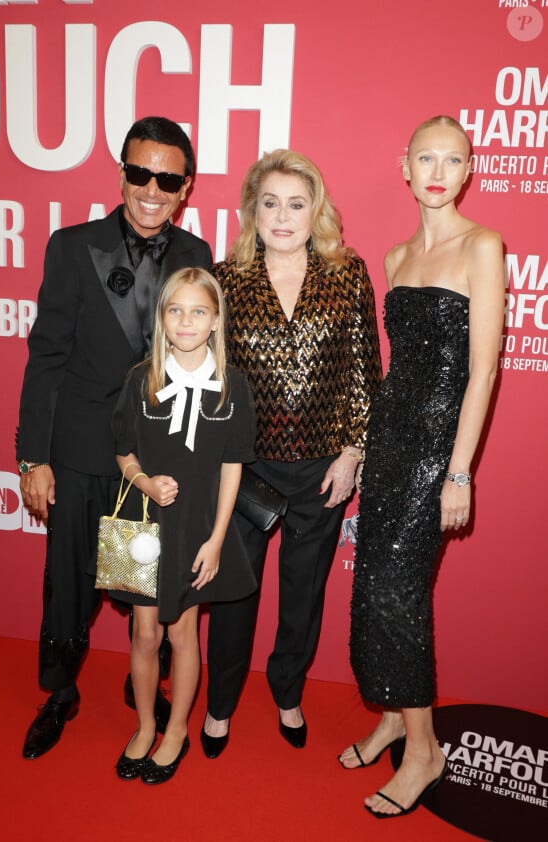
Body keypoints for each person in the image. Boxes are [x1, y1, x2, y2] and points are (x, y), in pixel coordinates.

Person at [17, 116, 212, 759]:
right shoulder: (72, 245)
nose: (151, 189)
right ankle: (58, 690)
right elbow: (45, 355)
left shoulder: (195, 257)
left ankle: (144, 683)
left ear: (185, 187)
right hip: (76, 449)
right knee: (68, 580)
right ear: (121, 172)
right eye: (139, 172)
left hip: (150, 459)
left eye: (168, 178)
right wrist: (32, 456)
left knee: (138, 584)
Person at [340, 116, 504, 818]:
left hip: (436, 450)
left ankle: (424, 750)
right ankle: (392, 715)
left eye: (454, 159)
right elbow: (395, 367)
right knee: (374, 583)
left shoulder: (483, 246)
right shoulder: (395, 257)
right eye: (426, 158)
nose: (438, 170)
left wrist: (459, 471)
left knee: (395, 594)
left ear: (469, 171)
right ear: (405, 167)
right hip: (388, 439)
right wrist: (365, 448)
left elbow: (484, 369)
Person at [202, 149, 383, 757]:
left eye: (296, 203)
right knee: (234, 593)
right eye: (270, 202)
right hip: (244, 470)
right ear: (253, 210)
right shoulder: (226, 280)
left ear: (316, 210)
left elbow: (364, 368)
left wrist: (352, 453)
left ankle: (287, 691)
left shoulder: (346, 273)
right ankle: (220, 705)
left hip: (320, 471)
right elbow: (212, 377)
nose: (283, 216)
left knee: (302, 594)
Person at [111, 267, 257, 783]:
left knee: (183, 632)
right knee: (145, 634)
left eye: (198, 311)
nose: (186, 321)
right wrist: (146, 482)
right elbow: (123, 452)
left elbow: (233, 467)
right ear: (162, 318)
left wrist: (217, 540)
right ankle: (146, 725)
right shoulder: (140, 379)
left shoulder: (232, 387)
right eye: (176, 310)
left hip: (198, 530)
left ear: (216, 320)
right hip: (144, 525)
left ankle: (177, 730)